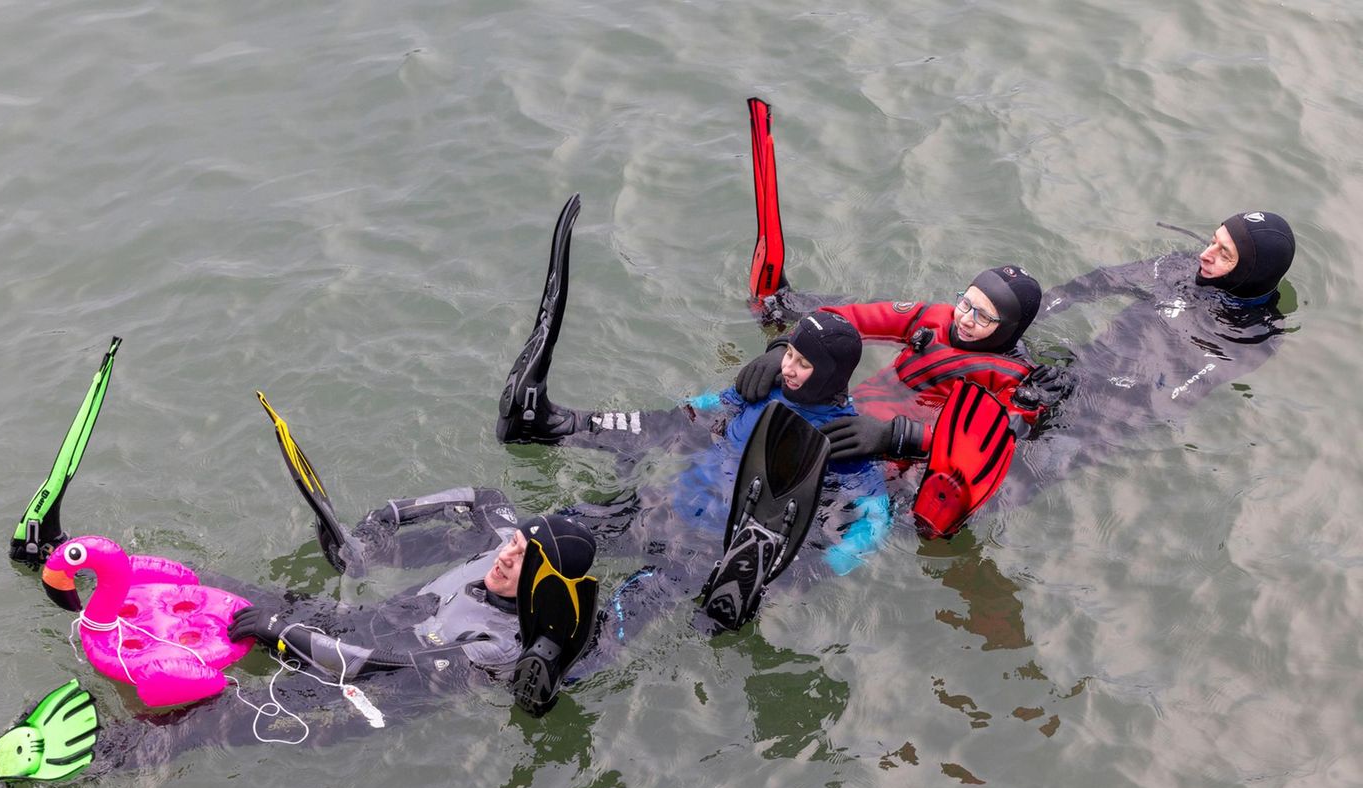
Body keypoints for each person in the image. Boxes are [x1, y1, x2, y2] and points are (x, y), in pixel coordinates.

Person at [0, 395, 601, 782]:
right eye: (514, 542)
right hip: (356, 622)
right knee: (222, 594)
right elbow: (484, 500)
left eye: (524, 558)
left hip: (367, 692)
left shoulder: (499, 645)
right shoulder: (505, 537)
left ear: (546, 586)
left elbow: (381, 670)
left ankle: (93, 761)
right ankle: (59, 556)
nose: (506, 554)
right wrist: (381, 524)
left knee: (217, 717)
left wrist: (284, 638)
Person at [495, 195, 892, 628]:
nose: (789, 368)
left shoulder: (845, 436)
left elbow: (873, 519)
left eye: (802, 363)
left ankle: (563, 665)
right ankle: (551, 426)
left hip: (707, 553)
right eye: (789, 354)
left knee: (628, 613)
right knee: (543, 536)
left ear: (832, 375)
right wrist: (701, 404)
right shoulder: (765, 386)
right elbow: (693, 416)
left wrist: (807, 572)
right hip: (659, 508)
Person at [736, 99, 1071, 537]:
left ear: (1008, 330)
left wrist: (898, 438)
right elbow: (844, 317)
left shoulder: (1011, 380)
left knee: (825, 520)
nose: (965, 319)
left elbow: (991, 450)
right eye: (965, 303)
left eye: (983, 317)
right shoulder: (930, 320)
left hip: (895, 462)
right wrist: (785, 345)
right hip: (838, 422)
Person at [991, 210, 1296, 511]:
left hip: (1106, 419)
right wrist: (1020, 320)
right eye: (1213, 240)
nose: (1205, 254)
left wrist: (1079, 391)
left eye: (1224, 253)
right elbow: (1101, 281)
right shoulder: (1183, 266)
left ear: (1252, 272)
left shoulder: (1255, 335)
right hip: (1074, 369)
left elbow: (1176, 394)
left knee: (1008, 483)